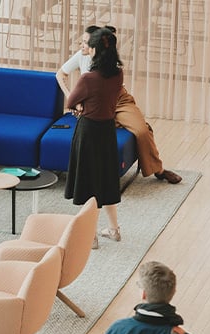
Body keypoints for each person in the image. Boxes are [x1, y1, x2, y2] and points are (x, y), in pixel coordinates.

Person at [57, 25, 182, 188]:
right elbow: (60, 74)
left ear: (96, 46)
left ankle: (159, 170)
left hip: (118, 101)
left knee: (142, 131)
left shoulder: (110, 66)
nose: (81, 45)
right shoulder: (81, 55)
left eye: (86, 42)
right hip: (95, 104)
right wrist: (72, 97)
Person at [64, 26, 123, 246]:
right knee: (106, 181)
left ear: (96, 50)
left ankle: (92, 236)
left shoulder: (88, 78)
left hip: (89, 131)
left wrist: (81, 104)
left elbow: (71, 102)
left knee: (88, 184)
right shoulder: (118, 74)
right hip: (108, 131)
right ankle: (114, 229)